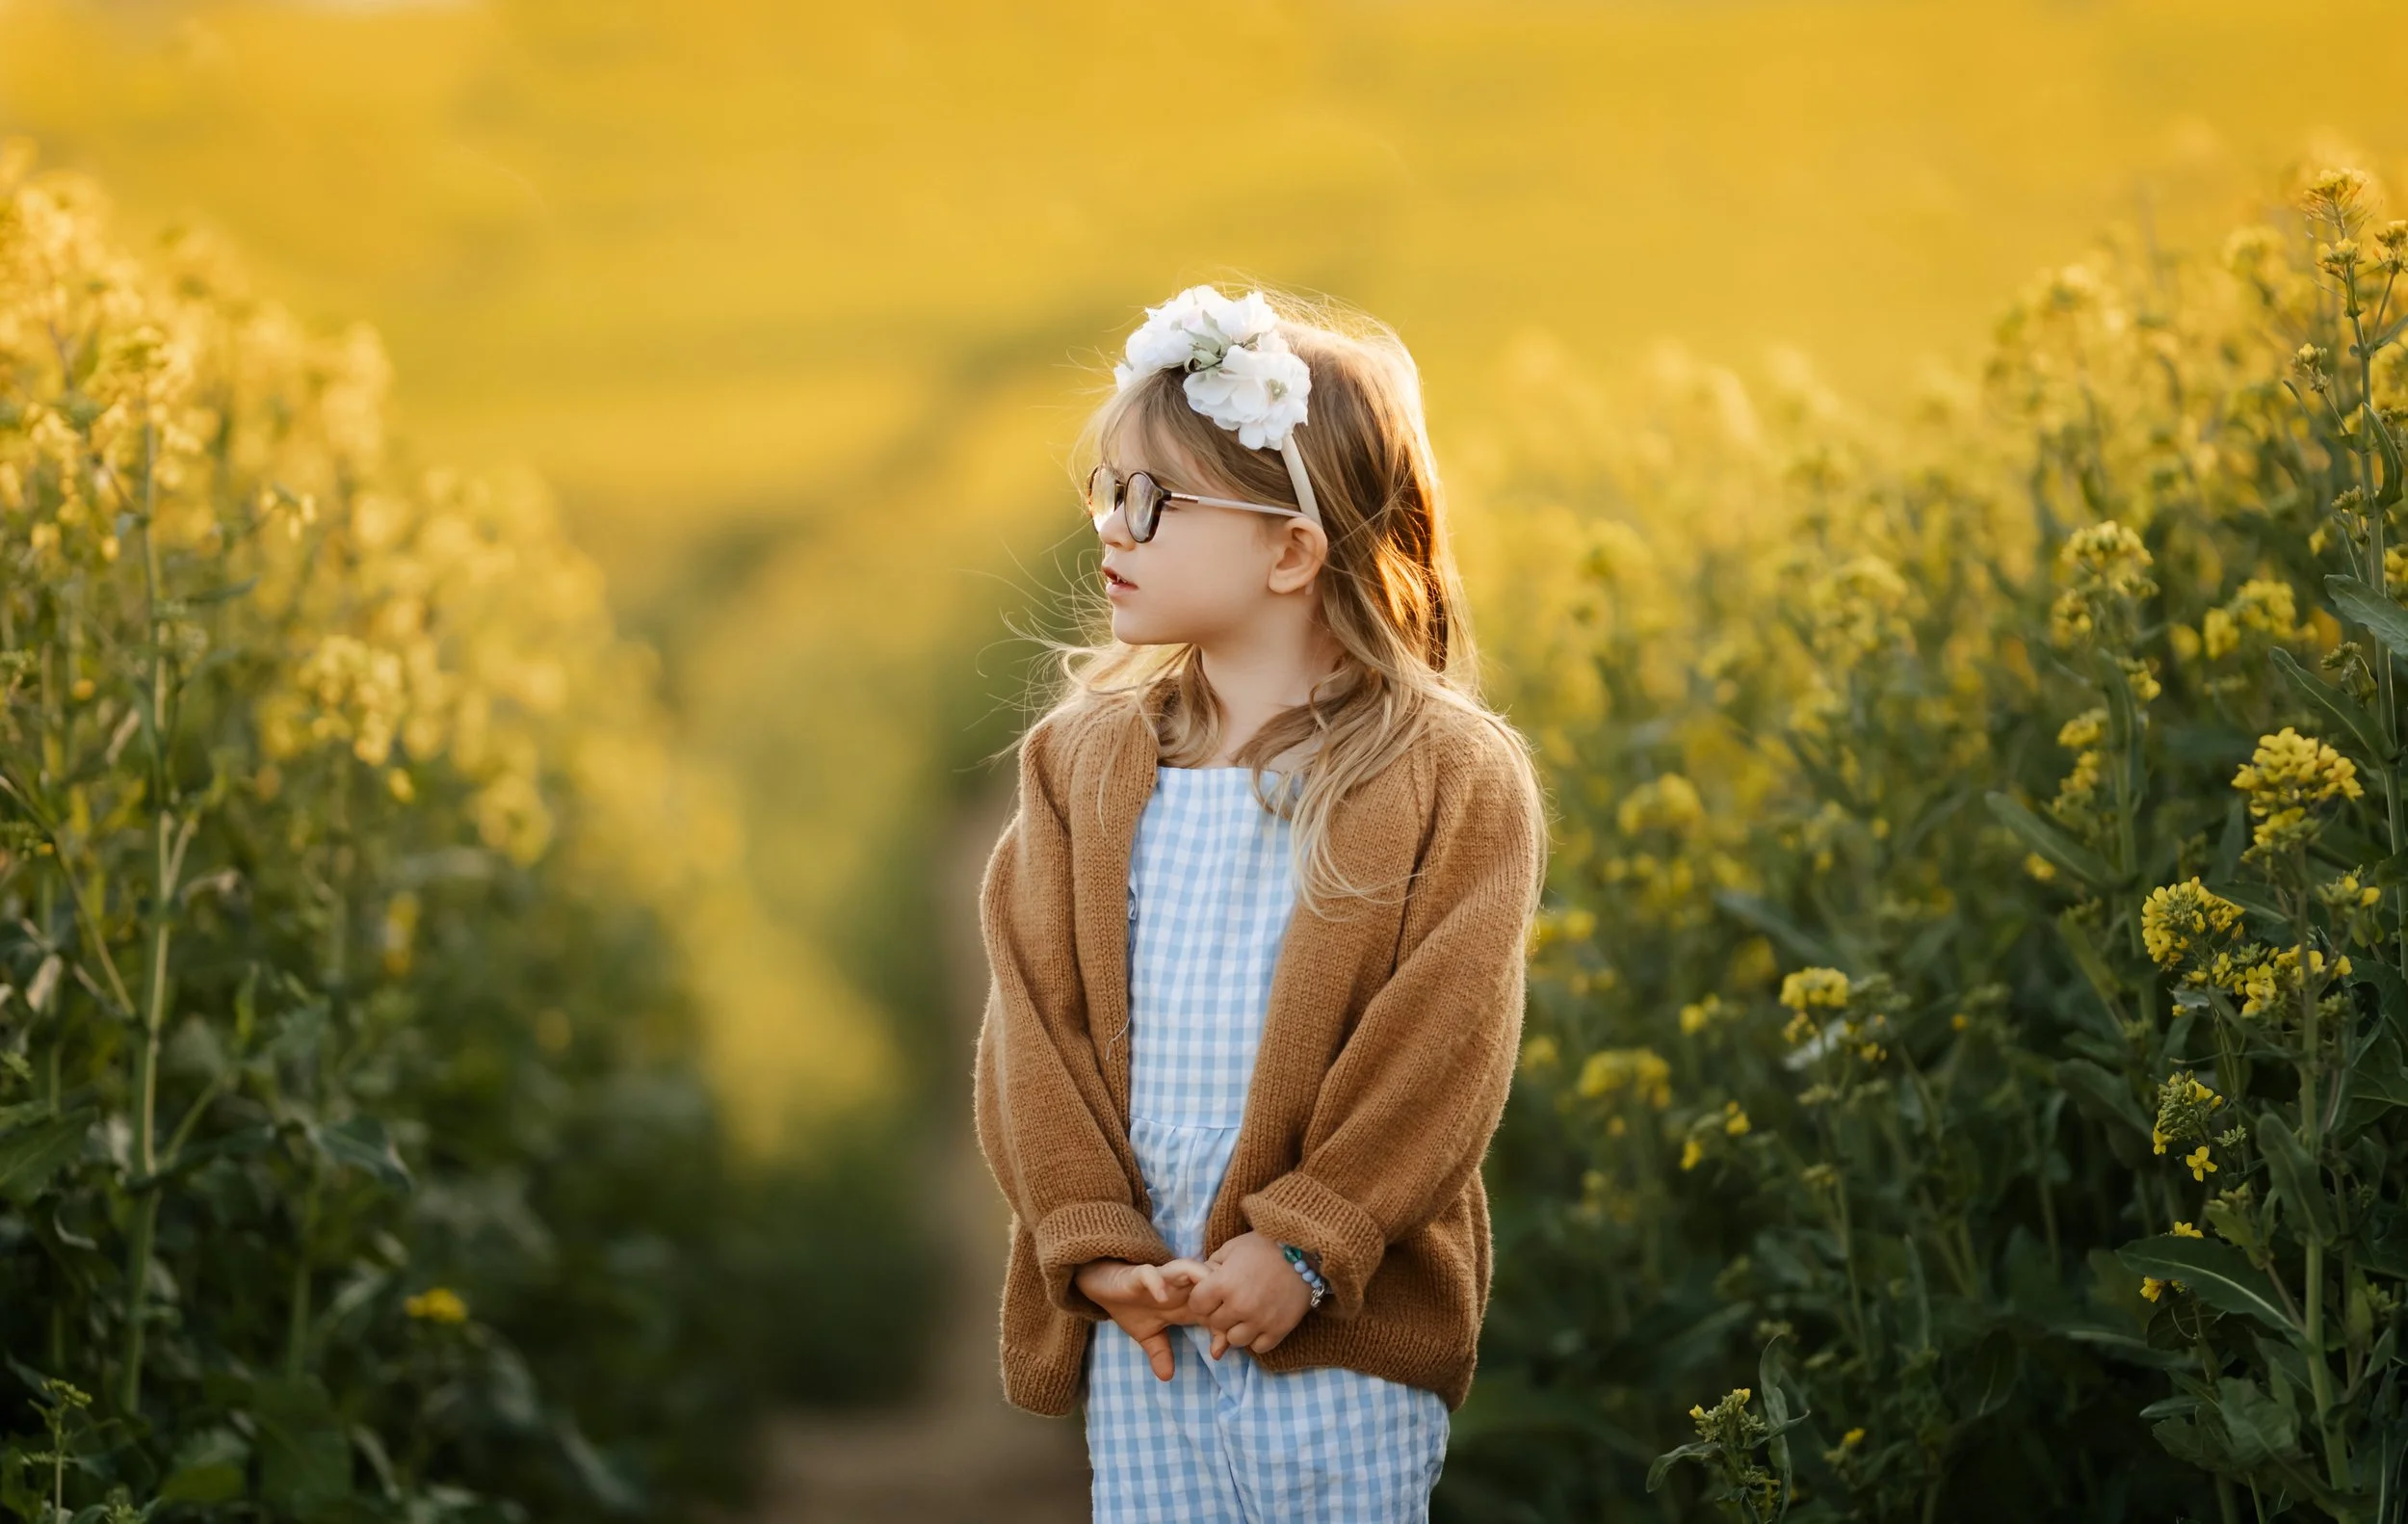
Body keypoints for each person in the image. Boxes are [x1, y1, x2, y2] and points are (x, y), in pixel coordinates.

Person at [971, 284, 1551, 1522]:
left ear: (1292, 549)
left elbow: (1443, 1044)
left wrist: (1304, 1242)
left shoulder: (1447, 774)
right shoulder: (1079, 762)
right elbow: (1033, 1023)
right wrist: (1094, 1238)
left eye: (1151, 501)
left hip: (1336, 1316)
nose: (1110, 532)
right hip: (1154, 1314)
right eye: (1104, 494)